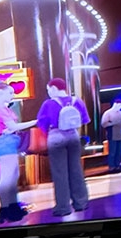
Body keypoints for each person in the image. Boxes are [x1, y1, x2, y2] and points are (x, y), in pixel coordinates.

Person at [0, 80, 36, 222]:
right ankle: (6, 208)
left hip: (9, 142)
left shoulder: (1, 108)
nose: (13, 95)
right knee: (7, 177)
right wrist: (36, 122)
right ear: (1, 92)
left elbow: (10, 127)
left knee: (12, 176)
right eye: (10, 92)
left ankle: (11, 207)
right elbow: (13, 126)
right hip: (6, 144)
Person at [36, 78, 90, 217]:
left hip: (56, 136)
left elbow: (41, 123)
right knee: (76, 169)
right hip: (74, 136)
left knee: (60, 173)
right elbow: (85, 120)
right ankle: (81, 203)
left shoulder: (48, 103)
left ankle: (63, 207)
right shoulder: (77, 101)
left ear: (54, 88)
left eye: (48, 90)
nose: (48, 93)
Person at [101, 98, 121, 172]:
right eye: (119, 105)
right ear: (115, 104)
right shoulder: (108, 113)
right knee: (112, 152)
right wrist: (113, 123)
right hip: (112, 134)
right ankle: (111, 167)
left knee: (118, 152)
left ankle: (117, 166)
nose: (120, 107)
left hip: (119, 134)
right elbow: (103, 123)